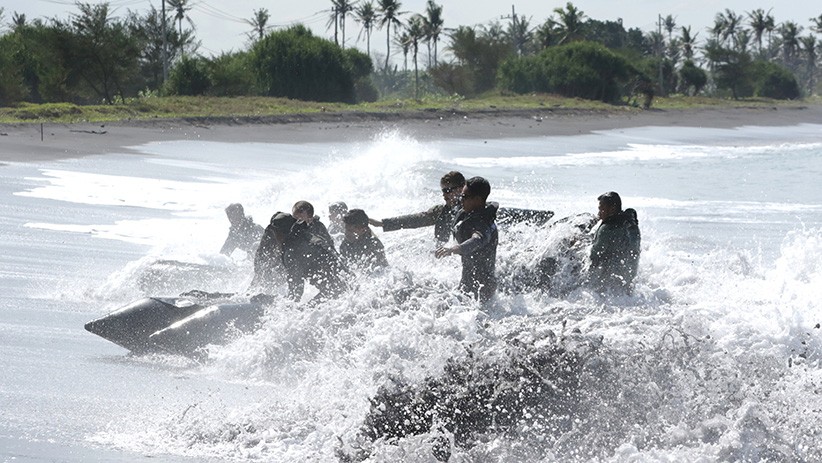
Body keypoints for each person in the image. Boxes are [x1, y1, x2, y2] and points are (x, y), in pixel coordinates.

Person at [254, 211, 348, 302]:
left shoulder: (292, 250)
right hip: (347, 286)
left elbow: (295, 295)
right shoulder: (307, 236)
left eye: (273, 234)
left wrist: (269, 299)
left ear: (278, 234)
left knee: (303, 311)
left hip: (337, 292)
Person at [435, 177, 499, 302]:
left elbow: (478, 239)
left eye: (464, 197)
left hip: (482, 290)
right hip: (468, 284)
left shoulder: (482, 223)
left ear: (478, 200)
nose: (461, 200)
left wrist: (453, 249)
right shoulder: (468, 213)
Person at [370, 171, 466, 243]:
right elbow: (415, 220)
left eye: (448, 191)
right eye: (443, 191)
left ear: (461, 189)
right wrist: (382, 223)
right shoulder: (441, 211)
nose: (444, 195)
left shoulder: (471, 211)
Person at [588, 191, 641, 294]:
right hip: (629, 284)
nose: (599, 213)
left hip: (610, 288)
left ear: (612, 208)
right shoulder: (631, 223)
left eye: (601, 209)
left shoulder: (607, 229)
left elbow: (592, 257)